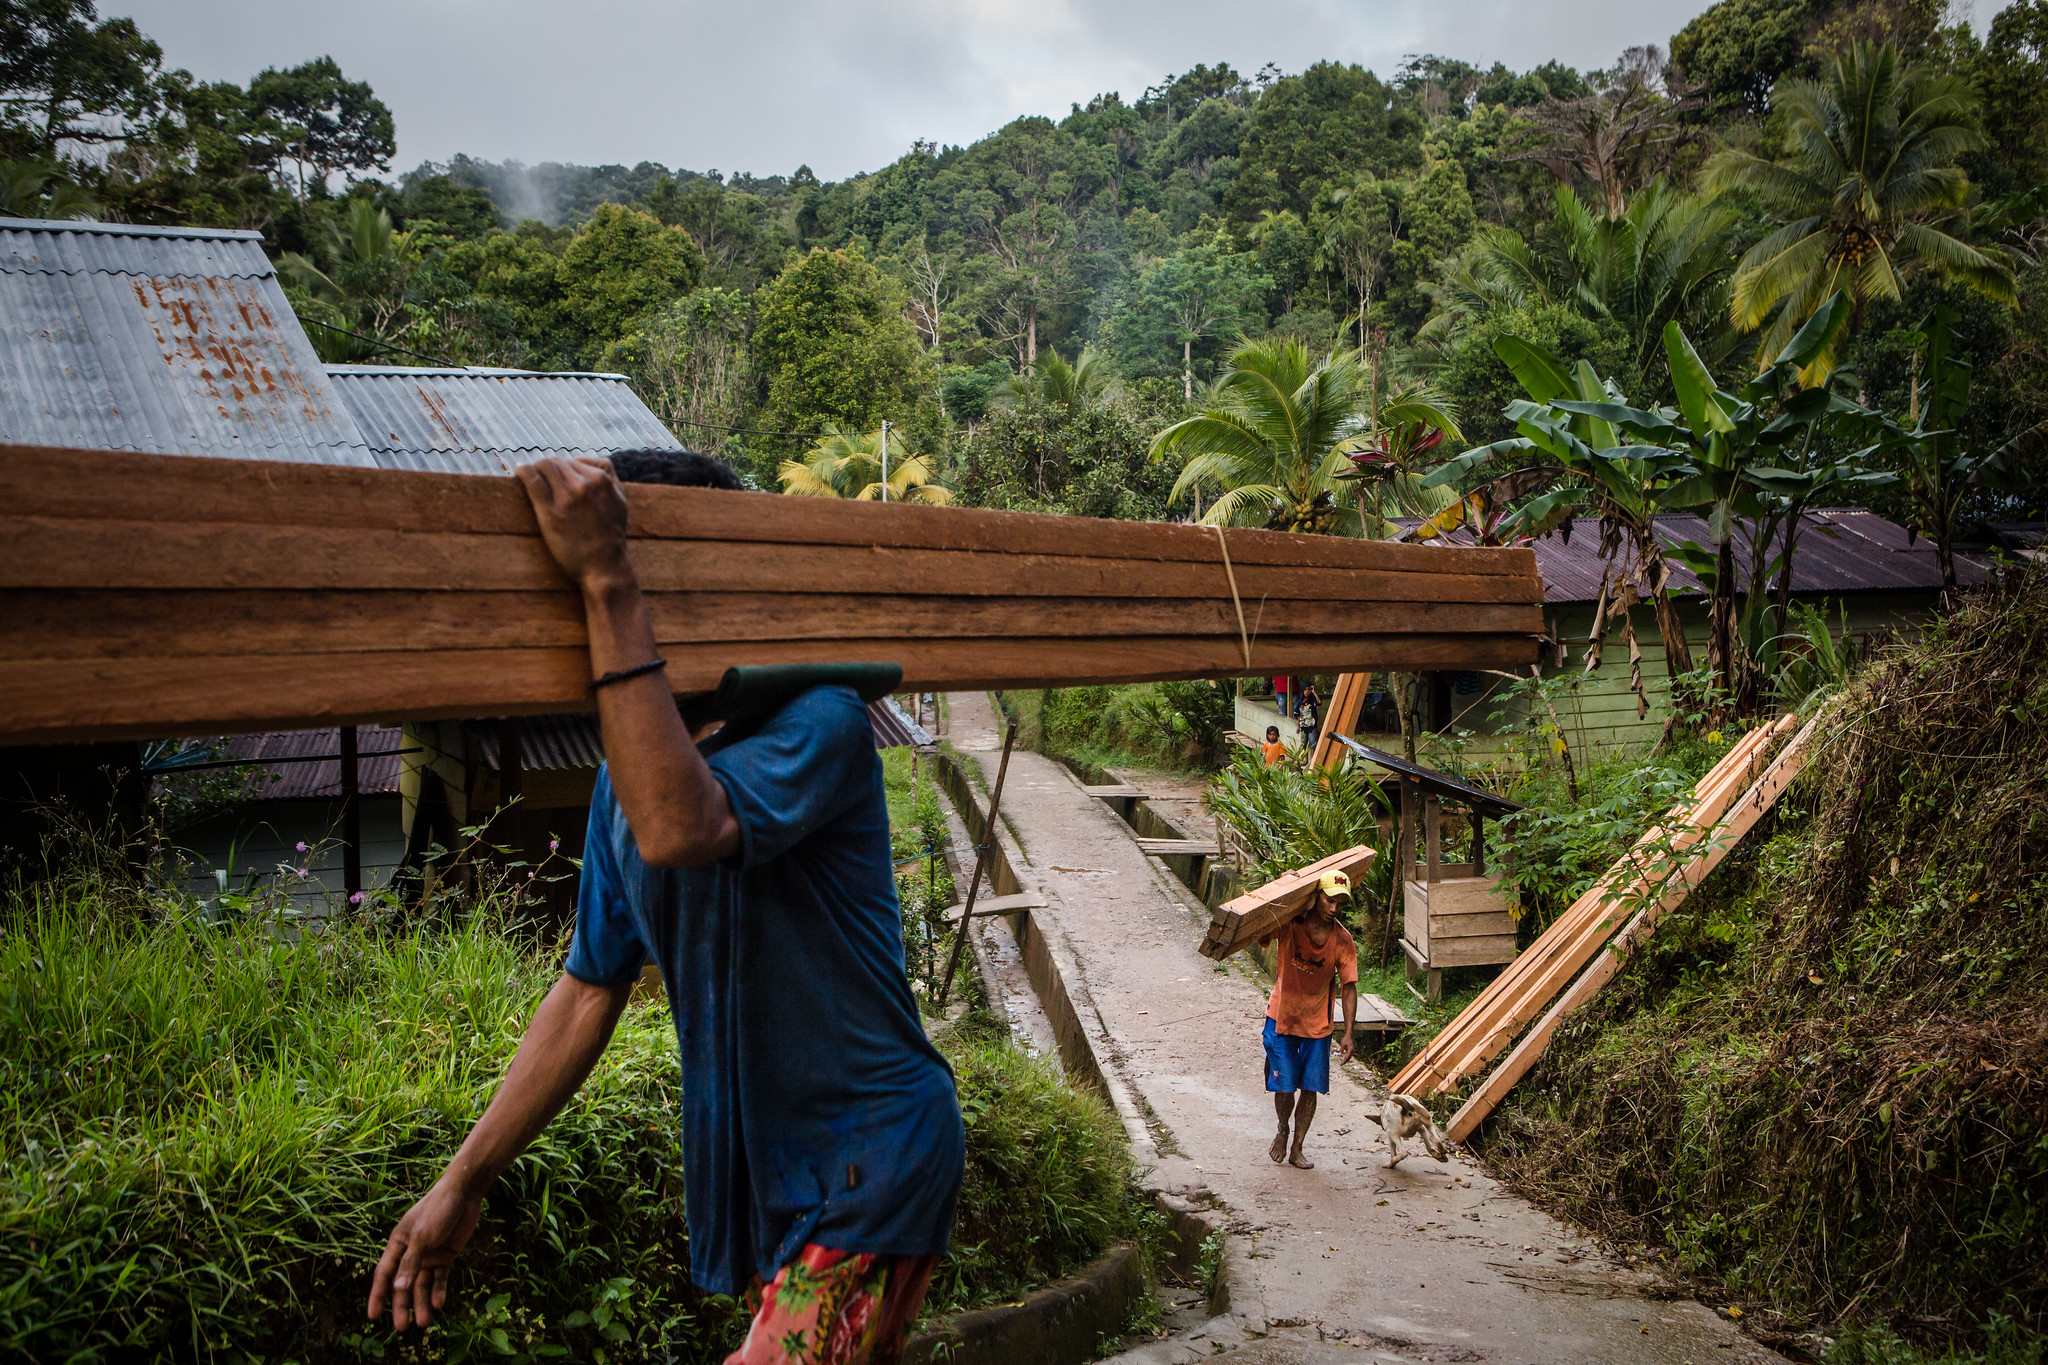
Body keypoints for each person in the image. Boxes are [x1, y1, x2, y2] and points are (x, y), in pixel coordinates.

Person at [366, 449, 965, 1365]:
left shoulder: (822, 720)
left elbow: (684, 825)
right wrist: (464, 1178)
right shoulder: (622, 783)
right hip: (781, 1179)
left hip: (874, 1155)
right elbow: (585, 991)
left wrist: (608, 572)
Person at [1259, 871, 1358, 1170]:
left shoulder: (1342, 941)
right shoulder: (1291, 925)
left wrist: (1348, 1033)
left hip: (1318, 1026)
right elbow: (1262, 931)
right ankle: (1282, 1128)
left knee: (1311, 1088)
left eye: (1341, 903)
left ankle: (1298, 1146)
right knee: (1285, 1086)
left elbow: (1349, 987)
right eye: (1330, 901)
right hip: (1282, 1018)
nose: (1334, 908)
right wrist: (1283, 887)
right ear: (1316, 897)